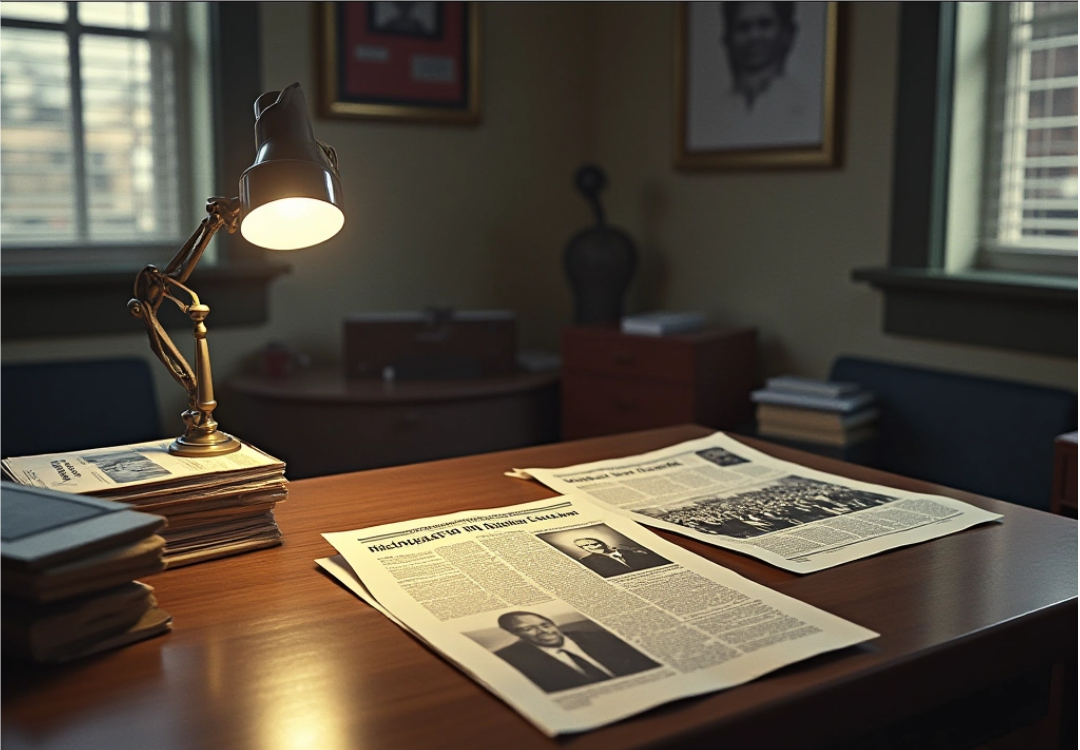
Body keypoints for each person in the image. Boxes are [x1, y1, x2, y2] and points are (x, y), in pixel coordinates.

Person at [494, 612, 660, 693]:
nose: (543, 631)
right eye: (528, 629)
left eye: (545, 625)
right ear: (514, 634)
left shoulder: (602, 638)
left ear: (553, 624)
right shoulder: (510, 660)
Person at [719, 2, 798, 110]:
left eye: (764, 24)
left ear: (786, 33)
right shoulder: (715, 107)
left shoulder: (805, 103)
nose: (754, 36)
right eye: (744, 27)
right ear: (728, 38)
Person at [572, 537, 671, 577]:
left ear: (602, 542)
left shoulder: (635, 552)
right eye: (584, 545)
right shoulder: (586, 561)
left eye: (592, 543)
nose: (589, 546)